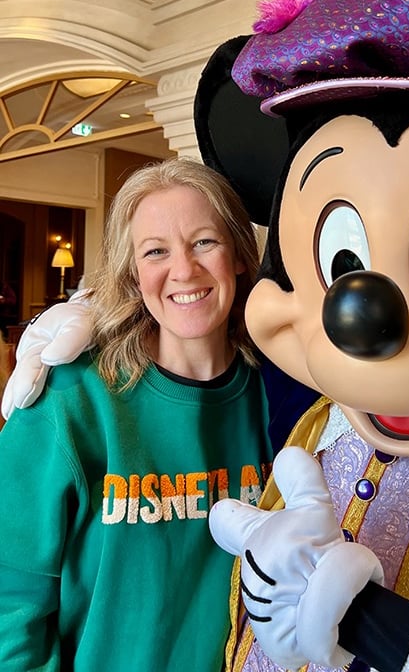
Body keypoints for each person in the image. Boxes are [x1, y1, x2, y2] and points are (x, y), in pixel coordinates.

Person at [0, 156, 275, 671]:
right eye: (156, 251)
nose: (184, 270)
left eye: (204, 242)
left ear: (239, 253)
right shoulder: (71, 398)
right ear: (133, 270)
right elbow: (10, 596)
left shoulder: (280, 397)